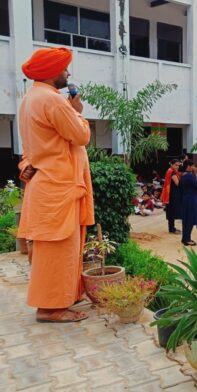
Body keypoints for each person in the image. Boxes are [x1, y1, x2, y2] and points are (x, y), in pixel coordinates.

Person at [18, 47, 94, 322]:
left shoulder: (29, 99)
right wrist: (77, 112)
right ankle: (51, 309)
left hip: (49, 185)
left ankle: (60, 299)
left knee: (58, 249)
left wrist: (24, 167)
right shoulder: (54, 100)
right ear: (51, 73)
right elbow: (81, 135)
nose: (68, 73)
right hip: (58, 187)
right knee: (58, 249)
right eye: (64, 69)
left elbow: (30, 150)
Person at [180, 160, 197, 246]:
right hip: (191, 200)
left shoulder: (183, 175)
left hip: (185, 199)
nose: (194, 168)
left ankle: (184, 238)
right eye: (193, 166)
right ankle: (187, 239)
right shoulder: (190, 176)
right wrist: (196, 175)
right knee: (190, 219)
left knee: (185, 220)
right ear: (189, 166)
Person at [162, 159, 181, 234]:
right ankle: (171, 229)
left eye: (178, 165)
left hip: (170, 194)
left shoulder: (169, 171)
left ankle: (172, 227)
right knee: (172, 212)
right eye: (176, 165)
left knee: (171, 211)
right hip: (172, 195)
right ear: (171, 164)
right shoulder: (172, 172)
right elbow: (177, 183)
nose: (177, 167)